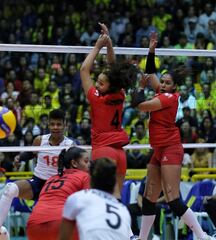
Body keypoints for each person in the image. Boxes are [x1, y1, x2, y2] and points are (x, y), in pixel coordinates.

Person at [132, 32, 215, 240]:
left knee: (172, 197)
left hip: (171, 148)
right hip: (158, 150)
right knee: (150, 196)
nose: (163, 84)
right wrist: (151, 50)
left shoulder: (168, 98)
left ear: (174, 87)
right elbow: (150, 73)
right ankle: (143, 238)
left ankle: (201, 234)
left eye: (167, 82)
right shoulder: (162, 91)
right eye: (163, 81)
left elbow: (139, 105)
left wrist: (140, 87)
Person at [0, 109, 75, 238]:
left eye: (59, 124)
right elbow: (31, 154)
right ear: (48, 125)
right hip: (38, 182)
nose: (55, 127)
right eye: (52, 124)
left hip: (57, 187)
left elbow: (75, 168)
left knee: (51, 225)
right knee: (10, 189)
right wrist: (19, 158)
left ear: (65, 125)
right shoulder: (39, 140)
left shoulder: (70, 145)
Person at [80, 23, 138, 199]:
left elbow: (84, 69)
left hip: (103, 149)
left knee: (100, 199)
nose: (97, 84)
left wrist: (98, 47)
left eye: (101, 83)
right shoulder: (120, 94)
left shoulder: (97, 99)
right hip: (120, 154)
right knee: (117, 199)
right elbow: (114, 69)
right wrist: (109, 44)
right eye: (97, 81)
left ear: (110, 85)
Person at [27, 147, 90, 240]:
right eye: (86, 161)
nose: (89, 164)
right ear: (74, 163)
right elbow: (88, 205)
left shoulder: (51, 179)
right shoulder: (84, 176)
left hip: (33, 225)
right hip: (61, 224)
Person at [59, 158, 131, 240]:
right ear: (115, 183)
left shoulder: (78, 198)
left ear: (91, 179)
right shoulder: (123, 210)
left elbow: (64, 237)